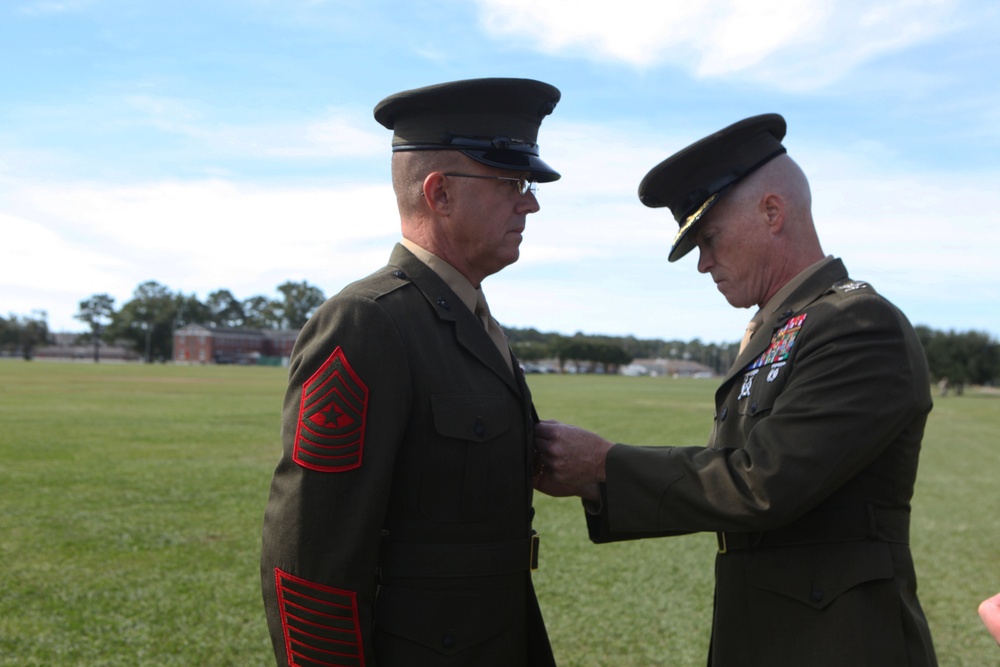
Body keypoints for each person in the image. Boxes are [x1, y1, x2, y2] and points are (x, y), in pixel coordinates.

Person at [534, 114, 938, 666]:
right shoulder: (782, 328)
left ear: (772, 212)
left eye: (710, 238)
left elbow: (764, 483)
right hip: (770, 635)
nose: (703, 264)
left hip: (841, 644)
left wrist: (603, 466)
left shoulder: (857, 324)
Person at [260, 78, 562, 667]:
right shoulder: (366, 323)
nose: (530, 203)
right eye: (510, 183)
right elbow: (311, 552)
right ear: (439, 193)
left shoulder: (470, 318)